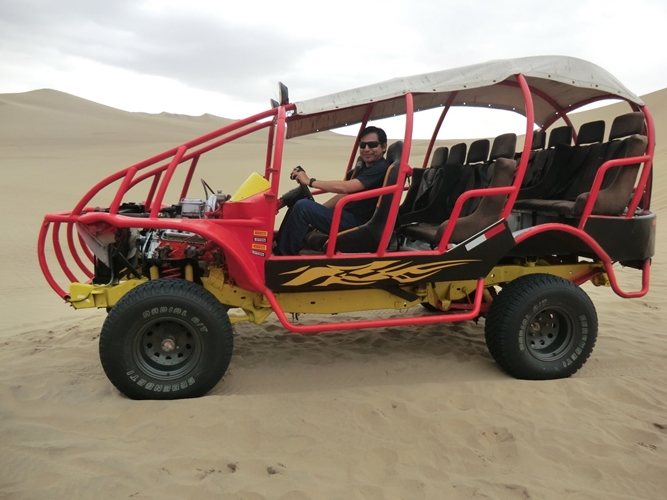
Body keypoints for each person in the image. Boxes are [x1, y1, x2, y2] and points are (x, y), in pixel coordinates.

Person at [276, 126, 391, 255]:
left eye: (372, 145)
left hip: (359, 224)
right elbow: (344, 194)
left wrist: (310, 181)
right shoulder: (366, 167)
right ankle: (279, 245)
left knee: (303, 207)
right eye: (363, 145)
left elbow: (346, 187)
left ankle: (283, 256)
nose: (367, 149)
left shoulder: (380, 168)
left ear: (384, 147)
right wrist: (317, 210)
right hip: (348, 216)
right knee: (302, 205)